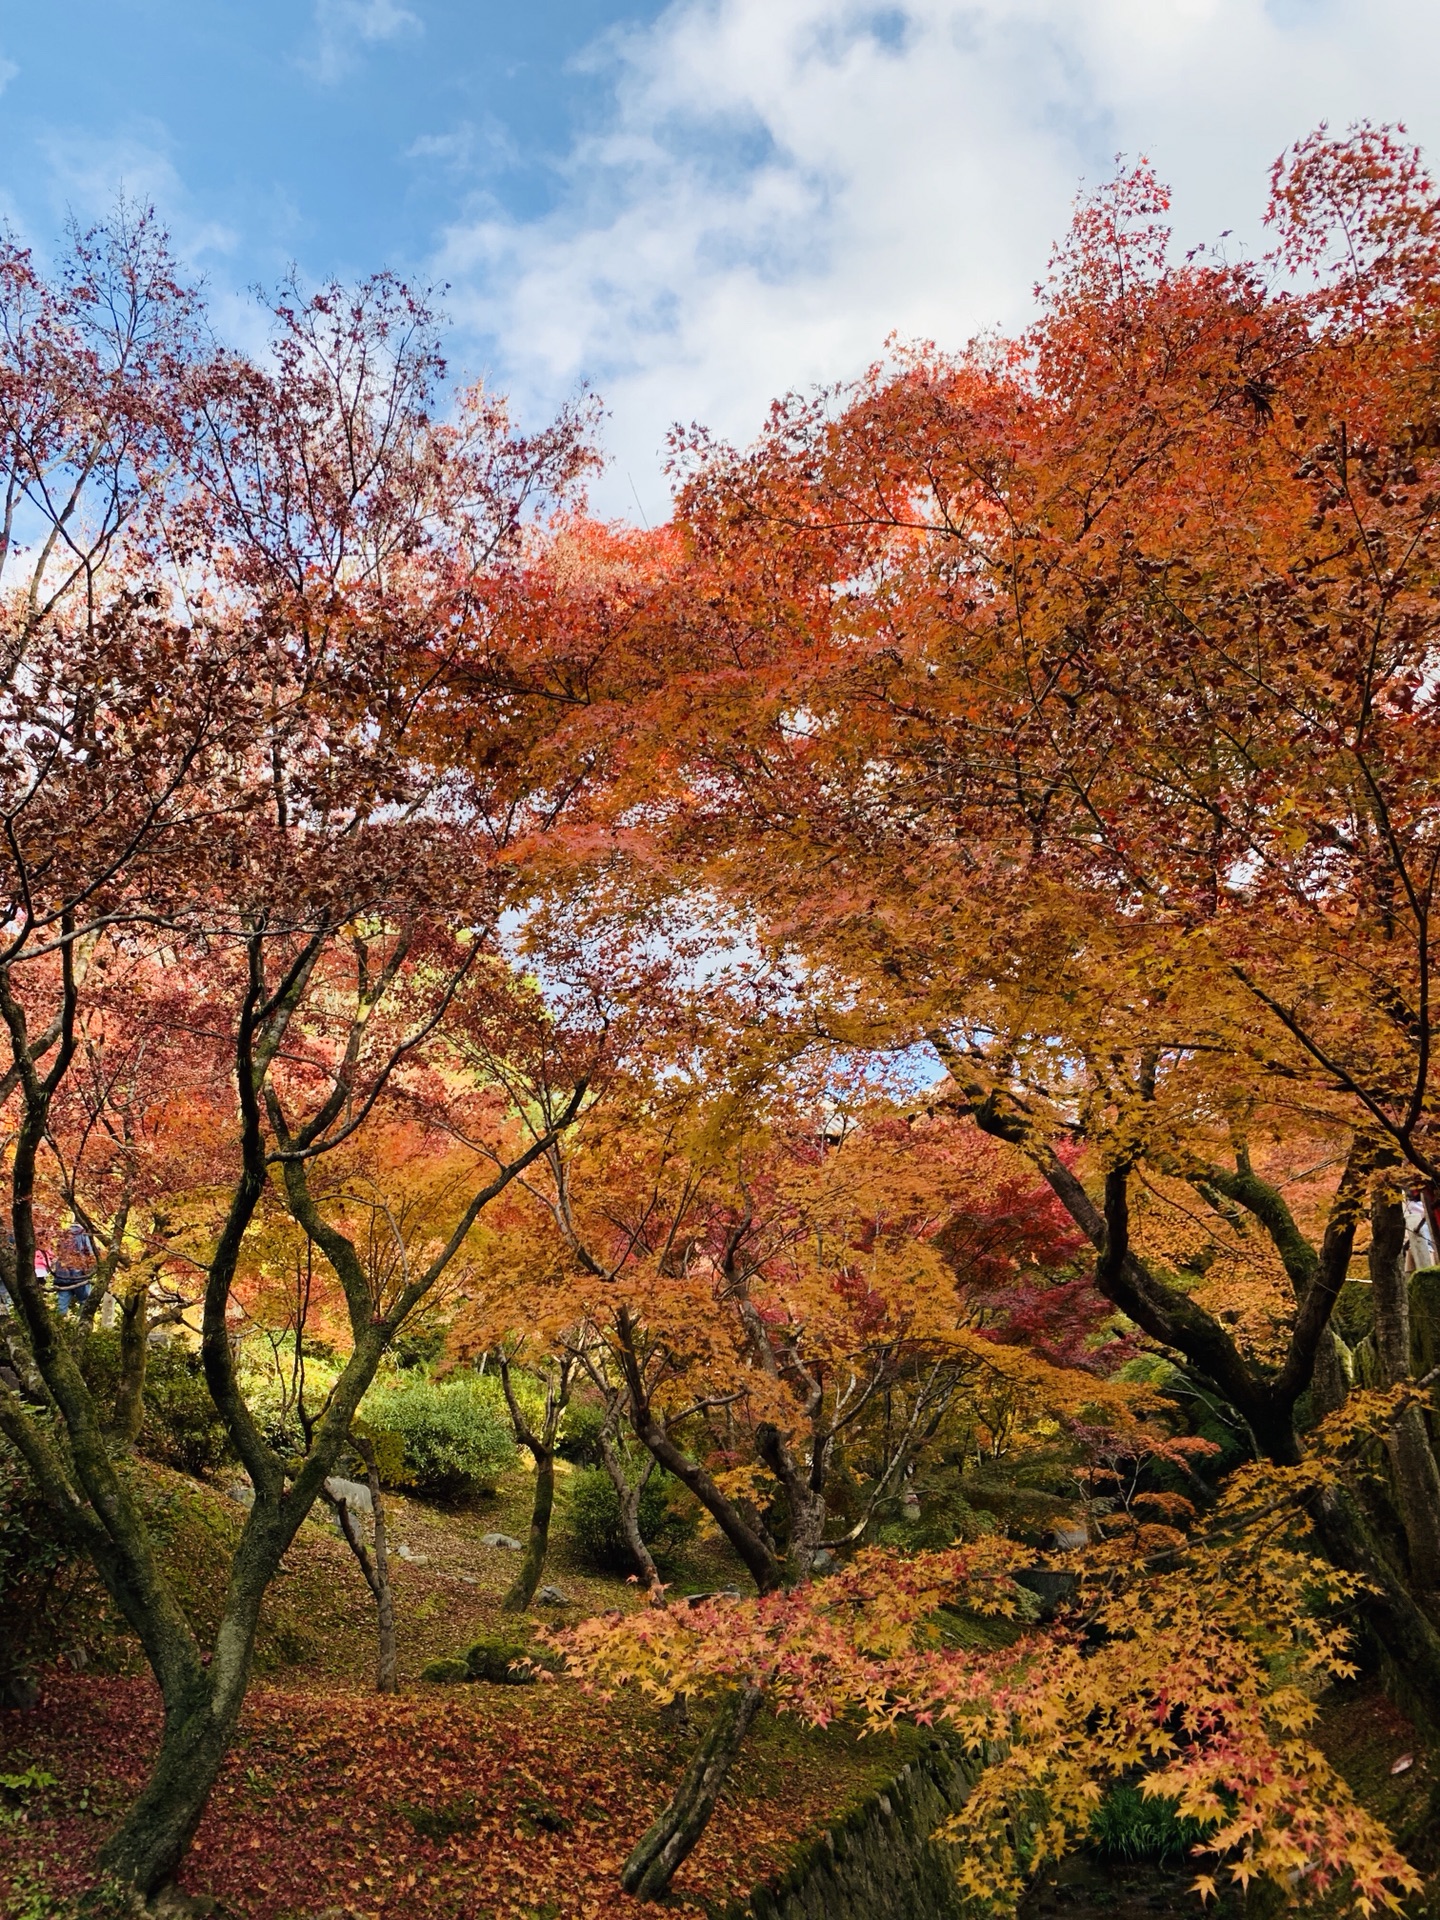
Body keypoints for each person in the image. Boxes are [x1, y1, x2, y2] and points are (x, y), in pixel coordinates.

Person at [53, 1220, 96, 1316]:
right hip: (80, 1276)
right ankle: (81, 1328)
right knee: (85, 1303)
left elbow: (56, 1252)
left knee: (62, 1306)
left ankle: (61, 1327)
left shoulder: (62, 1234)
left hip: (62, 1277)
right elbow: (90, 1253)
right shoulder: (84, 1234)